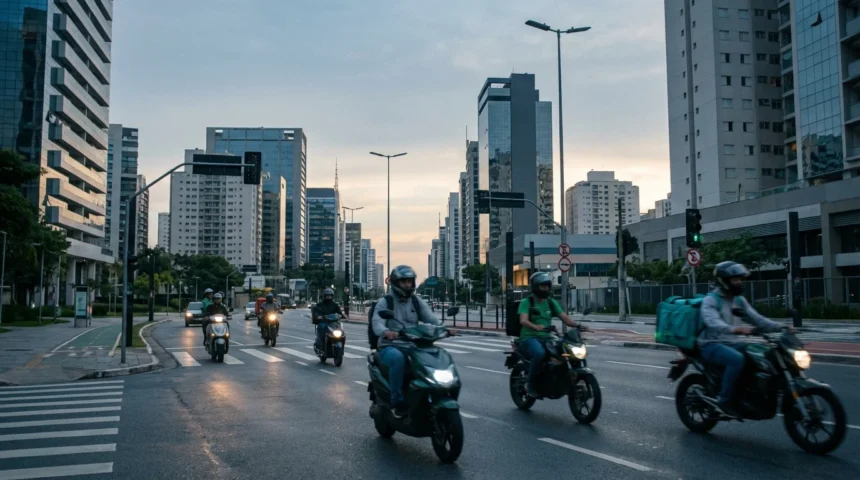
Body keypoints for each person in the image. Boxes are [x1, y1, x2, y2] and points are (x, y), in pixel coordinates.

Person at [698, 261, 785, 418]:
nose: (739, 282)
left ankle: (748, 396)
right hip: (710, 344)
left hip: (733, 343)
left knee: (761, 357)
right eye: (734, 279)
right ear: (723, 280)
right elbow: (712, 322)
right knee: (736, 359)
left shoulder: (739, 300)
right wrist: (734, 329)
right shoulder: (711, 300)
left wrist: (781, 327)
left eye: (740, 279)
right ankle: (723, 400)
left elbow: (757, 318)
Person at [372, 265, 452, 418]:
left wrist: (444, 328)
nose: (408, 285)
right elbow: (377, 322)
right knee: (397, 359)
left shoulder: (416, 301)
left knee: (437, 355)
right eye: (404, 282)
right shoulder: (385, 302)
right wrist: (386, 332)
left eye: (410, 281)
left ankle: (430, 392)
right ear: (396, 283)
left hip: (414, 344)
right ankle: (397, 401)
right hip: (390, 346)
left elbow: (431, 318)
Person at [517, 272, 587, 398]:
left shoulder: (550, 302)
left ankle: (569, 378)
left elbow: (565, 317)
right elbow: (523, 320)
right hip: (529, 337)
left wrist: (578, 325)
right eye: (542, 286)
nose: (546, 289)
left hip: (548, 337)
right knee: (539, 354)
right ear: (535, 287)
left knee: (568, 349)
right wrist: (534, 326)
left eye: (547, 286)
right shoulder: (526, 302)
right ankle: (530, 384)